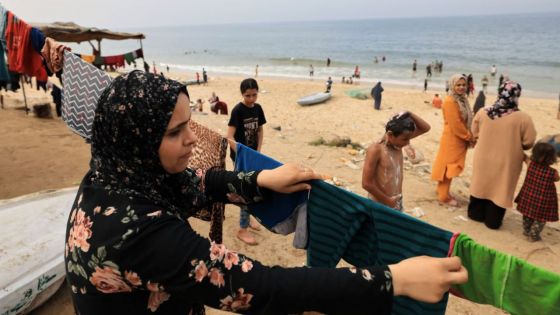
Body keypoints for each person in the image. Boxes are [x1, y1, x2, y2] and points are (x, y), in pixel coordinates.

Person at [63, 70, 468, 314]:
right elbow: (263, 287)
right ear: (136, 141)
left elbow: (197, 185)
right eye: (174, 132)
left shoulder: (115, 178)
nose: (191, 140)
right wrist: (391, 280)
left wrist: (260, 181)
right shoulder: (144, 235)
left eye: (189, 123)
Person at [468, 80, 537, 229]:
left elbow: (474, 133)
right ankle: (492, 221)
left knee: (480, 183)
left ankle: (475, 214)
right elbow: (529, 141)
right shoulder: (523, 118)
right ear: (517, 95)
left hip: (483, 156)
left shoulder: (482, 112)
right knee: (501, 187)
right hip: (507, 159)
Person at [362, 111, 430, 211]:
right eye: (405, 139)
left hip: (396, 201)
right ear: (390, 135)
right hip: (379, 204)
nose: (407, 142)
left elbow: (426, 128)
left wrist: (409, 113)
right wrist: (388, 201)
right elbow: (366, 183)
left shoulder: (398, 143)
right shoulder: (376, 149)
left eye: (409, 139)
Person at [227, 78, 266, 245]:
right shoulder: (237, 110)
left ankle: (249, 219)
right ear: (242, 94)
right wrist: (243, 154)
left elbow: (260, 129)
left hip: (253, 156)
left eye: (254, 95)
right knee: (244, 191)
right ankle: (242, 229)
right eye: (247, 95)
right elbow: (229, 137)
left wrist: (257, 151)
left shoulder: (258, 108)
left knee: (254, 188)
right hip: (240, 158)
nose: (251, 98)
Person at [431, 74, 474, 207]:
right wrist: (469, 136)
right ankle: (444, 196)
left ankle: (441, 190)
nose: (461, 87)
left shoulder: (462, 100)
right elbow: (456, 125)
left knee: (447, 165)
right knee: (449, 167)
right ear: (452, 86)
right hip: (453, 139)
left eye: (463, 85)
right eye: (458, 85)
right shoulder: (450, 101)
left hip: (458, 139)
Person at [515, 143, 559, 242]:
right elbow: (557, 179)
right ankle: (533, 235)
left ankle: (526, 230)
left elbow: (524, 157)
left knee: (527, 214)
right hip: (543, 200)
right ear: (552, 158)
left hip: (529, 195)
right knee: (540, 218)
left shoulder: (530, 164)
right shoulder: (553, 172)